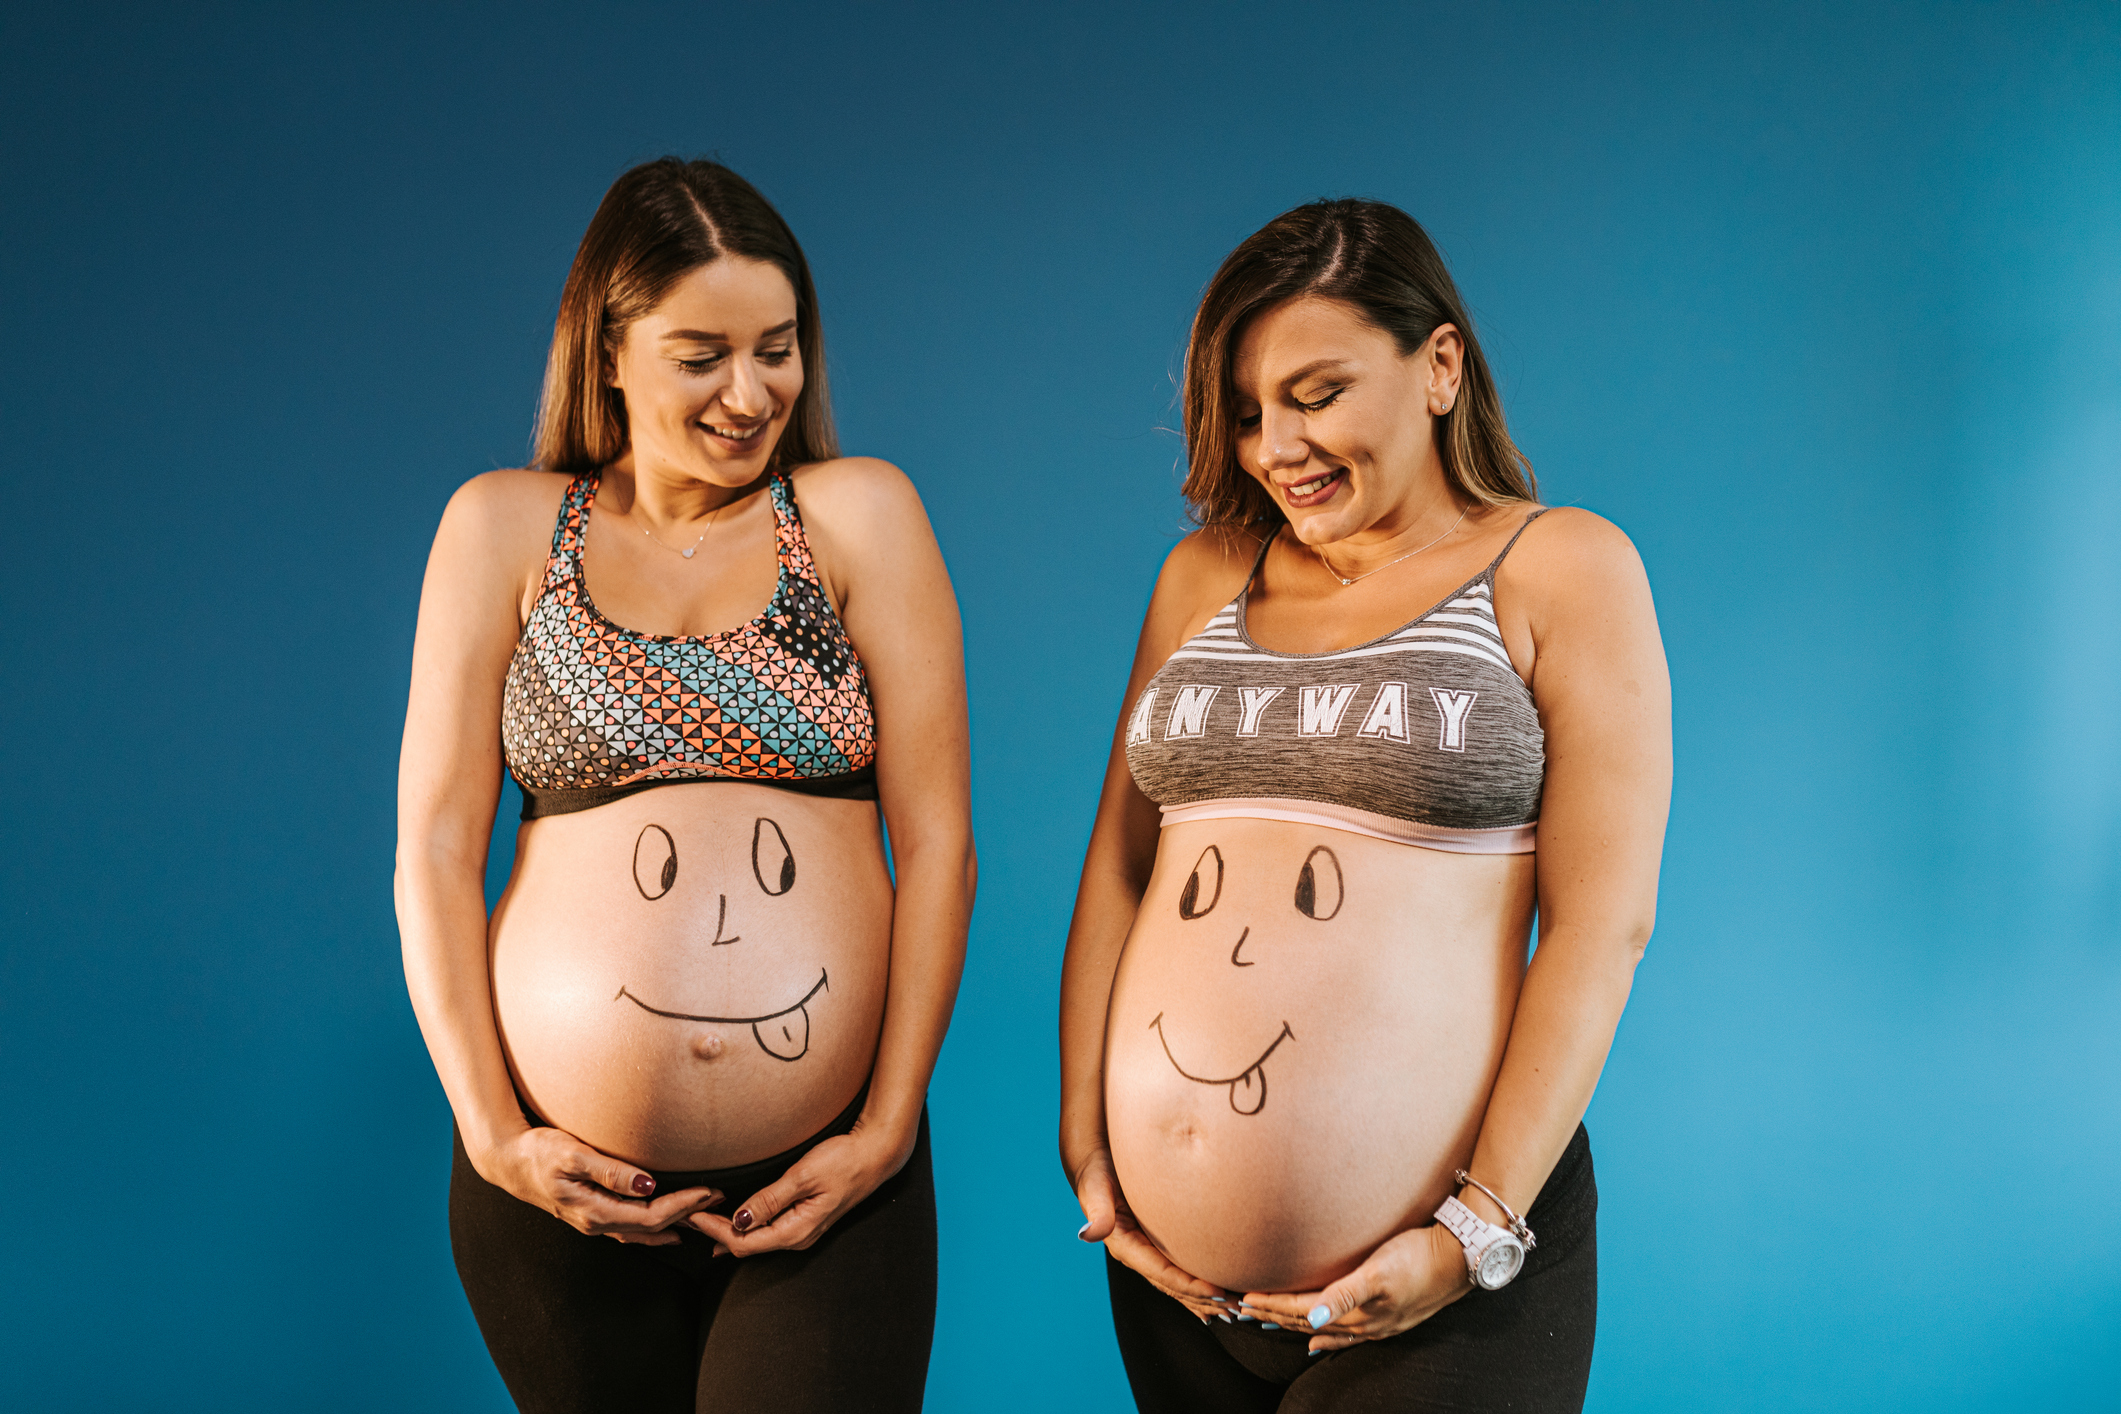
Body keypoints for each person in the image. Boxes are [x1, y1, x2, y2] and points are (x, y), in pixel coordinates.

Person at [1059, 198, 1670, 1413]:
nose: (1276, 443)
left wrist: (1473, 1233)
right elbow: (1123, 866)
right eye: (1245, 412)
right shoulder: (1202, 577)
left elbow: (1603, 928)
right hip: (1173, 1283)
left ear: (1439, 365)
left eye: (1317, 392)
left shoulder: (1559, 568)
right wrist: (1091, 1150)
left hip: (1443, 1275)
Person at [395, 157, 973, 1413]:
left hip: (825, 1173)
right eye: (702, 352)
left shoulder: (858, 517)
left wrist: (884, 1128)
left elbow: (938, 845)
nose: (751, 389)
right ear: (609, 348)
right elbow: (436, 852)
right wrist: (497, 1136)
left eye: (778, 347)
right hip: (559, 1184)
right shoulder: (503, 527)